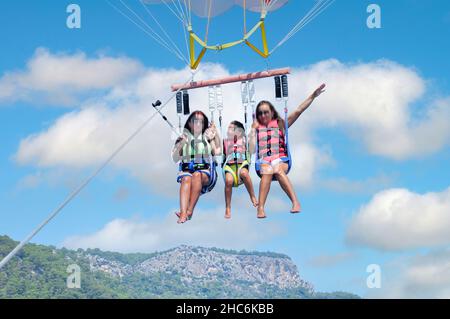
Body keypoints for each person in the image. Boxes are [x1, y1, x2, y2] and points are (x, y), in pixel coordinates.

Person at [249, 84, 326, 219]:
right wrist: (251, 131)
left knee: (277, 170)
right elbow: (251, 149)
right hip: (264, 161)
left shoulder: (280, 124)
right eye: (260, 113)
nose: (263, 115)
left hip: (281, 159)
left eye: (266, 112)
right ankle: (260, 208)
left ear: (272, 112)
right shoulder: (256, 129)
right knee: (267, 171)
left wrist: (313, 96)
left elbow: (298, 110)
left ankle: (295, 202)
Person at [172, 111, 221, 223]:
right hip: (187, 171)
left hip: (205, 174)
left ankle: (189, 211)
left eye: (201, 122)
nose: (198, 124)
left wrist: (215, 133)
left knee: (196, 175)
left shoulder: (208, 138)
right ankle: (183, 213)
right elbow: (175, 158)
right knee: (186, 179)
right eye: (195, 121)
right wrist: (181, 144)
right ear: (189, 123)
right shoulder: (183, 138)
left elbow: (217, 151)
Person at [222, 121, 258, 219]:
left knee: (244, 174)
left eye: (231, 128)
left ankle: (252, 196)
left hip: (242, 164)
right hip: (230, 166)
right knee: (228, 181)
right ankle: (228, 207)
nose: (228, 130)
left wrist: (253, 131)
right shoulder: (225, 142)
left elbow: (252, 149)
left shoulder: (244, 141)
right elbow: (216, 151)